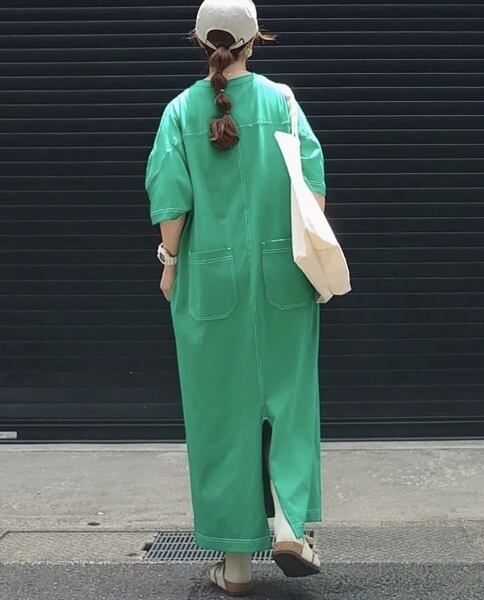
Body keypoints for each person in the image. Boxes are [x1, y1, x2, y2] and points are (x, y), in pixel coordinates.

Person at [144, 0, 326, 594]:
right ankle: (290, 526)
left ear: (201, 43)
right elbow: (314, 192)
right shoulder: (284, 103)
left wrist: (170, 263)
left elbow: (171, 203)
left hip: (209, 282)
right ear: (255, 41)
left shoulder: (180, 111)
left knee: (220, 415)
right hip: (284, 277)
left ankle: (237, 564)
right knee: (289, 402)